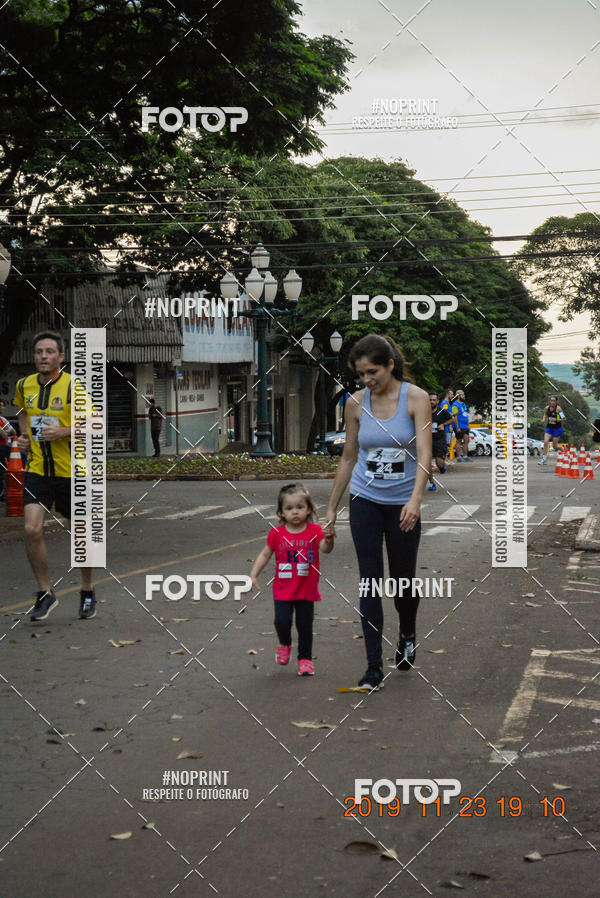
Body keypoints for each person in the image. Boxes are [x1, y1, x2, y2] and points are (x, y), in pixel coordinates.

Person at [325, 334, 431, 691]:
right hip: (365, 499)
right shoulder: (355, 403)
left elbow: (425, 458)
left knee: (402, 582)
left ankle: (407, 631)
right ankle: (373, 668)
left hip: (402, 503)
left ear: (389, 365)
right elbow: (349, 457)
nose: (367, 380)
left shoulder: (415, 399)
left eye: (373, 372)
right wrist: (331, 509)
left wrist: (415, 500)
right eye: (360, 374)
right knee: (370, 581)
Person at [13, 331, 96, 621]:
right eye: (39, 351)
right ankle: (46, 593)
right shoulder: (24, 385)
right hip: (38, 470)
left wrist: (64, 431)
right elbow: (23, 413)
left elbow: (94, 424)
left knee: (82, 535)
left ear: (61, 357)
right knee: (32, 529)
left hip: (72, 471)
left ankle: (87, 589)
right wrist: (24, 436)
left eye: (49, 351)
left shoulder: (75, 387)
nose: (43, 356)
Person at [250, 483, 334, 676]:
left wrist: (329, 540)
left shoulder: (315, 531)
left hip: (306, 590)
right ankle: (284, 644)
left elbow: (325, 549)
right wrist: (254, 574)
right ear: (281, 512)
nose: (295, 512)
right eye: (289, 508)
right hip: (283, 590)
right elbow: (265, 555)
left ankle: (305, 659)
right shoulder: (277, 534)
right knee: (282, 621)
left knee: (305, 626)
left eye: (300, 507)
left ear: (309, 509)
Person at [427, 391, 453, 491]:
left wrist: (444, 424)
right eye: (430, 400)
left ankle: (442, 467)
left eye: (434, 400)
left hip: (439, 440)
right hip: (427, 440)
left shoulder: (442, 411)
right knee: (426, 464)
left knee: (439, 463)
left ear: (437, 401)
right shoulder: (423, 411)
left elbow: (452, 419)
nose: (432, 402)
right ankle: (432, 483)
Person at [539, 395, 566, 465]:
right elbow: (545, 415)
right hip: (549, 428)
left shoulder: (558, 409)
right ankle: (544, 459)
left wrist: (556, 419)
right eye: (551, 400)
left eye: (554, 401)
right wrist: (543, 419)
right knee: (545, 441)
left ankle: (565, 452)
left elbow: (564, 419)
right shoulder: (547, 408)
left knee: (555, 446)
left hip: (557, 429)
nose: (552, 402)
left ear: (557, 401)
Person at [0, 404, 17, 501]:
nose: (3, 408)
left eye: (3, 406)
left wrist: (4, 432)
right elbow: (4, 435)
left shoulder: (2, 419)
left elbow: (13, 432)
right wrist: (5, 432)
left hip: (4, 448)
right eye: (1, 406)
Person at [451, 389, 471, 462]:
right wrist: (457, 426)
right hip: (459, 426)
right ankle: (458, 457)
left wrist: (468, 425)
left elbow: (466, 415)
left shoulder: (463, 404)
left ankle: (465, 456)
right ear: (458, 396)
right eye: (462, 395)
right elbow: (454, 416)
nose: (464, 396)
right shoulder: (455, 405)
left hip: (465, 426)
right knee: (459, 441)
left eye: (464, 394)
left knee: (466, 440)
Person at [439, 387, 457, 462]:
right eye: (452, 394)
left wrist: (453, 414)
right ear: (447, 394)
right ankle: (445, 460)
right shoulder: (445, 403)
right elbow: (445, 415)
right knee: (446, 443)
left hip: (447, 426)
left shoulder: (447, 403)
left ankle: (446, 459)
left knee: (448, 443)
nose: (453, 396)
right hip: (446, 427)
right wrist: (449, 425)